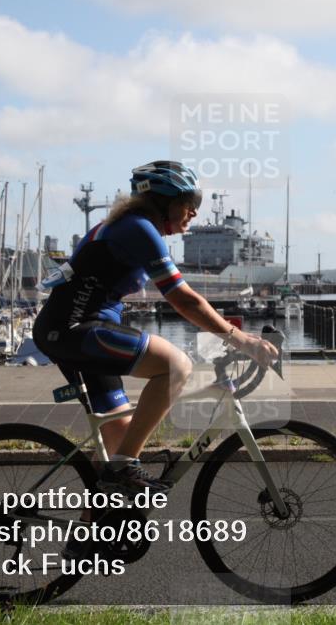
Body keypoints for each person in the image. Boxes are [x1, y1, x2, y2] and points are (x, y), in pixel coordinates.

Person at [32, 161, 279, 495]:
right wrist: (242, 340)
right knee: (176, 366)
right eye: (189, 202)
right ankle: (123, 469)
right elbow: (184, 300)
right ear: (165, 201)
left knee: (119, 439)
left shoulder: (126, 225)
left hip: (70, 331)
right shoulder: (139, 229)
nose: (194, 212)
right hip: (74, 330)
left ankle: (93, 522)